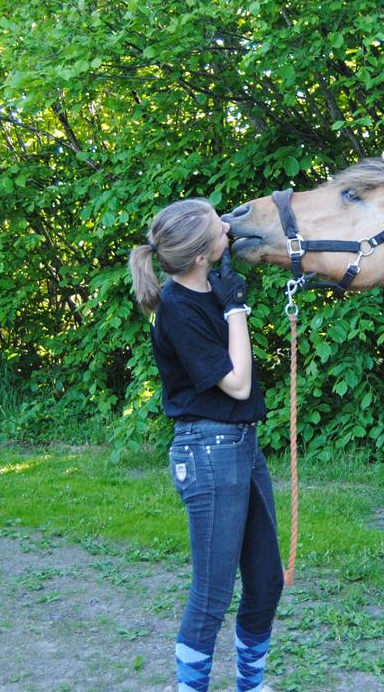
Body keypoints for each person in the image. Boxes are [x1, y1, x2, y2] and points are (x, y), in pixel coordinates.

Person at [128, 198, 284, 692]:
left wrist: (229, 298)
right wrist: (236, 308)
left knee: (266, 582)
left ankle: (250, 685)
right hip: (207, 452)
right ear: (200, 255)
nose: (229, 228)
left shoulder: (210, 288)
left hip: (240, 446)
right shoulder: (177, 310)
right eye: (220, 226)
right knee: (213, 596)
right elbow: (237, 384)